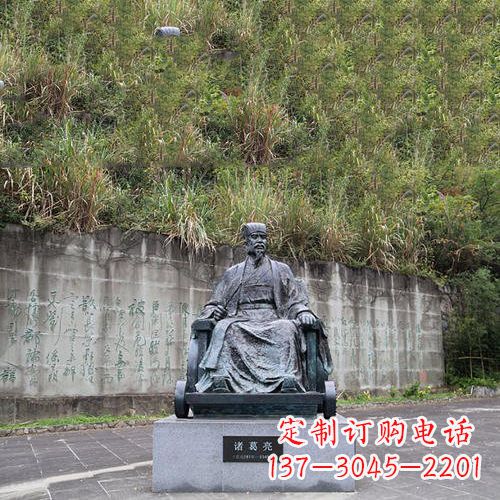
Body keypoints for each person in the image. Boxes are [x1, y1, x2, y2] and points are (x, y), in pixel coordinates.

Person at [195, 222, 332, 393]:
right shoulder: (233, 273)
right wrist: (215, 311)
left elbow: (294, 299)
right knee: (226, 329)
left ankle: (285, 378)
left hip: (273, 317)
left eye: (263, 237)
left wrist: (303, 311)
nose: (260, 241)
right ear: (246, 243)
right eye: (255, 237)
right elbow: (214, 303)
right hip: (240, 318)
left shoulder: (281, 269)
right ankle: (224, 378)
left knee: (287, 328)